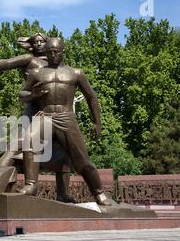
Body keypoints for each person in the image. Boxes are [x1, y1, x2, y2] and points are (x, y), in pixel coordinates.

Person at [0, 33, 76, 202]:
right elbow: (7, 63)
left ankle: (63, 194)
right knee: (16, 148)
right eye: (35, 42)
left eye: (41, 41)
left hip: (57, 116)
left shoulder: (59, 65)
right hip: (35, 112)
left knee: (63, 154)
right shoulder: (30, 60)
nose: (38, 44)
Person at [19, 37, 113, 206]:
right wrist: (34, 95)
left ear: (64, 52)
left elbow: (91, 97)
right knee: (30, 140)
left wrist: (97, 122)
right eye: (49, 52)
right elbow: (22, 95)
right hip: (45, 116)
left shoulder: (75, 73)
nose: (53, 55)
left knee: (81, 159)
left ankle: (99, 193)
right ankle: (31, 184)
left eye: (56, 52)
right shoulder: (37, 73)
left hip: (66, 117)